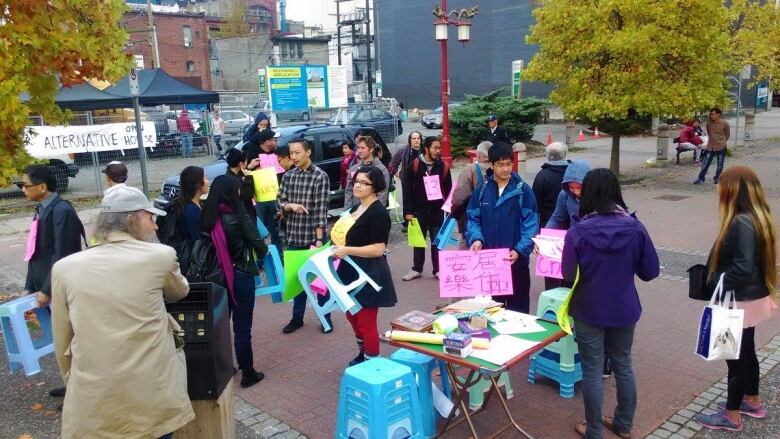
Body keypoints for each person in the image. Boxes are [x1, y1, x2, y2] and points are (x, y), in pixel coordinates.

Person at [50, 185, 193, 438]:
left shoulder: (64, 268)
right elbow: (179, 291)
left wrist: (72, 382)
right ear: (132, 219)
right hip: (152, 387)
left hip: (95, 391)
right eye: (151, 218)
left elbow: (62, 339)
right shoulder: (160, 256)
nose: (156, 226)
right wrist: (153, 246)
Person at [560, 168, 659, 439]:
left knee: (592, 370)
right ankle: (623, 424)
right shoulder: (635, 227)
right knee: (623, 365)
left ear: (588, 194)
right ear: (616, 191)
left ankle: (594, 430)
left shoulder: (577, 232)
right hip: (624, 308)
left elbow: (568, 275)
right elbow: (650, 271)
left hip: (588, 309)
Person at [694, 166, 777, 432]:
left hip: (737, 299)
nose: (718, 188)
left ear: (733, 188)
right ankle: (751, 400)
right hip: (752, 296)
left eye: (722, 183)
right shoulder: (758, 215)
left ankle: (732, 415)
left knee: (735, 358)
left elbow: (741, 267)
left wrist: (717, 284)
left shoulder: (741, 221)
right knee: (747, 352)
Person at [19, 165, 85, 399]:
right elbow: (34, 250)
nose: (22, 190)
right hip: (47, 285)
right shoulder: (41, 208)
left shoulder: (61, 211)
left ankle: (78, 392)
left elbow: (62, 254)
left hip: (60, 287)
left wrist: (47, 288)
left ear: (42, 187)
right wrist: (31, 284)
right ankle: (71, 384)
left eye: (25, 185)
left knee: (71, 339)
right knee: (61, 339)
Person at [200, 175, 268, 388]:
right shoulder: (239, 216)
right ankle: (248, 373)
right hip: (240, 275)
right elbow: (261, 245)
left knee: (219, 326)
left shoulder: (206, 217)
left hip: (216, 277)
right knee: (242, 328)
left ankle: (223, 368)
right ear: (232, 192)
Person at [333, 166, 398, 366]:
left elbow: (379, 249)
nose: (358, 186)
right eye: (356, 181)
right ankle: (363, 353)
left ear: (375, 186)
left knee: (366, 321)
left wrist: (348, 250)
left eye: (364, 183)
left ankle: (372, 361)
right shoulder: (354, 208)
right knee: (352, 316)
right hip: (348, 272)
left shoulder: (378, 213)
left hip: (369, 274)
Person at [466, 142, 538, 313]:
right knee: (491, 313)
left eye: (508, 164)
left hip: (516, 264)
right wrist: (476, 238)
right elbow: (473, 218)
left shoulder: (523, 191)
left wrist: (520, 250)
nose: (505, 169)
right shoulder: (482, 191)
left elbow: (532, 225)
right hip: (490, 264)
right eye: (500, 165)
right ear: (491, 165)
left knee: (518, 315)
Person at [278, 138, 333, 334]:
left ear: (308, 152)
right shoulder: (288, 176)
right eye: (291, 153)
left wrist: (319, 241)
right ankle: (297, 318)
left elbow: (320, 210)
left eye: (297, 152)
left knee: (319, 281)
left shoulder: (320, 176)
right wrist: (289, 206)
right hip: (294, 236)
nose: (294, 157)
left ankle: (325, 317)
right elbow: (280, 201)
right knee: (296, 281)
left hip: (314, 238)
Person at [402, 136, 452, 281]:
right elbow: (407, 190)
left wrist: (448, 209)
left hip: (437, 212)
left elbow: (448, 190)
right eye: (435, 148)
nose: (438, 151)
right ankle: (416, 269)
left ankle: (438, 270)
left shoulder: (443, 166)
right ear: (426, 149)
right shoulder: (415, 165)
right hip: (418, 211)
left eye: (439, 148)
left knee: (437, 241)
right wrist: (408, 212)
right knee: (418, 241)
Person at [242, 129, 282, 249]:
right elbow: (243, 173)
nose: (276, 142)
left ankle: (278, 256)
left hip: (275, 196)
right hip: (258, 198)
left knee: (276, 229)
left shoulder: (277, 154)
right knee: (259, 230)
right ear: (267, 142)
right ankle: (261, 258)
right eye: (275, 140)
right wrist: (251, 167)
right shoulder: (253, 153)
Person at [451, 140, 492, 244]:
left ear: (479, 154)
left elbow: (459, 198)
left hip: (470, 219)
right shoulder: (497, 168)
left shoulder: (470, 169)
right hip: (492, 218)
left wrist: (453, 211)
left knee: (467, 248)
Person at [344, 136, 390, 209]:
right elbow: (349, 191)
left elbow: (382, 194)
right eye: (358, 148)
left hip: (372, 212)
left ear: (371, 149)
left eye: (362, 148)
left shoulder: (381, 169)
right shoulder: (354, 168)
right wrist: (347, 211)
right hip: (355, 211)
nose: (359, 151)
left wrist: (376, 212)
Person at [389, 131, 423, 231]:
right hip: (407, 180)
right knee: (408, 200)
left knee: (421, 201)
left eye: (418, 138)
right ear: (410, 140)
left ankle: (421, 221)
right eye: (414, 138)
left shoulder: (424, 150)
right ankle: (407, 223)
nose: (416, 140)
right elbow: (393, 163)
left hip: (422, 180)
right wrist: (396, 173)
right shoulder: (404, 150)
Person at [532, 142, 570, 227]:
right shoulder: (572, 172)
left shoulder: (542, 175)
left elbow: (535, 203)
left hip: (548, 223)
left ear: (548, 156)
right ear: (564, 154)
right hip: (571, 222)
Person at [695, 107, 730, 185]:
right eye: (710, 114)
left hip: (721, 146)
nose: (711, 116)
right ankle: (701, 178)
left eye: (713, 114)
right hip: (710, 146)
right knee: (705, 163)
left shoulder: (724, 123)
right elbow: (709, 133)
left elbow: (727, 134)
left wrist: (722, 141)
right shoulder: (709, 123)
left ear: (718, 114)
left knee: (720, 165)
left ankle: (717, 178)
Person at [225, 148, 257, 220]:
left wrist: (248, 168)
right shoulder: (234, 180)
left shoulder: (230, 173)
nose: (247, 162)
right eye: (246, 160)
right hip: (245, 216)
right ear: (240, 163)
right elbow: (248, 194)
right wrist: (249, 178)